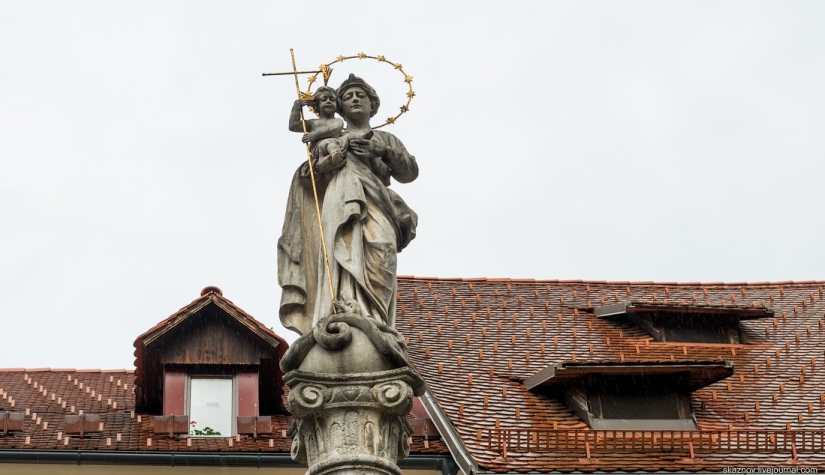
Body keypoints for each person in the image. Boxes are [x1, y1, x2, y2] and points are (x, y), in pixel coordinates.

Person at [278, 74, 419, 335]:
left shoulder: (385, 138)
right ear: (339, 105)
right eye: (347, 96)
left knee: (383, 253)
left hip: (379, 204)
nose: (354, 99)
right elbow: (314, 170)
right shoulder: (330, 134)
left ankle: (377, 320)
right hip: (340, 198)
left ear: (372, 104)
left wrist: (383, 151)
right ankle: (342, 309)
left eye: (360, 95)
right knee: (339, 251)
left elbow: (409, 173)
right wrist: (332, 157)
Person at [288, 86, 345, 165]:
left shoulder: (338, 121)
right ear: (317, 105)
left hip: (335, 144)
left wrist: (314, 135)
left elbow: (334, 129)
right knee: (328, 143)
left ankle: (336, 154)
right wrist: (297, 106)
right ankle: (335, 154)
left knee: (331, 142)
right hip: (318, 149)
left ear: (337, 104)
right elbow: (293, 126)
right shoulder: (313, 123)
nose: (328, 101)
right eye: (323, 99)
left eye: (332, 99)